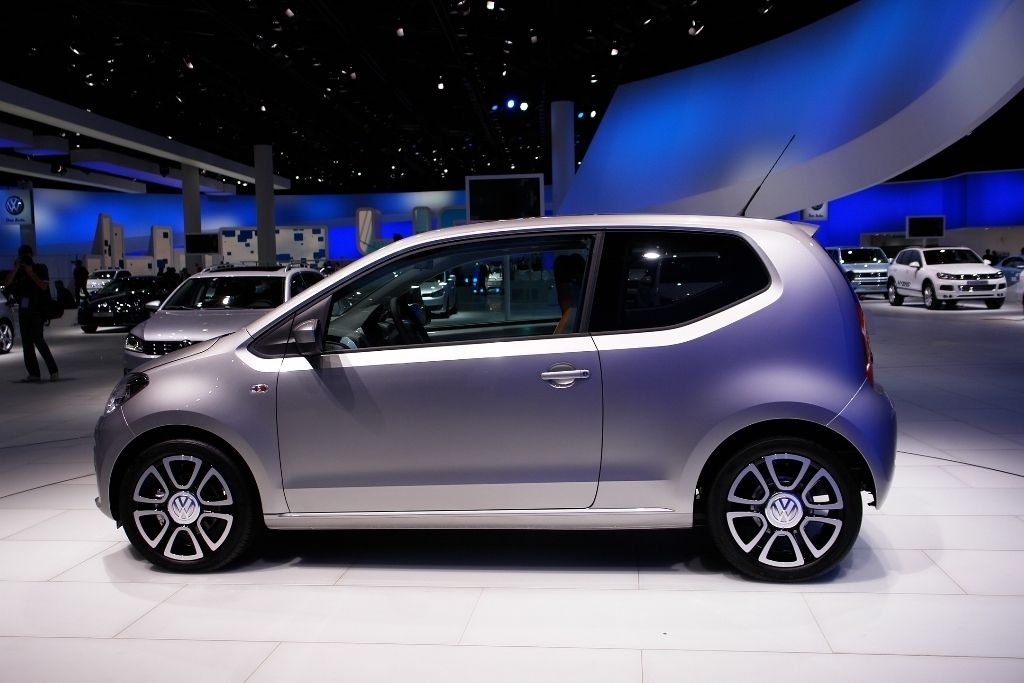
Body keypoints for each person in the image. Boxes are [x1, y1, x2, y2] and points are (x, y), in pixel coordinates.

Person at [4, 245, 59, 382]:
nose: (25, 259)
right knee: (27, 345)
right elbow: (7, 283)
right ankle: (34, 374)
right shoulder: (19, 271)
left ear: (31, 255)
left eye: (26, 256)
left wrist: (31, 273)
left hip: (37, 310)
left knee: (39, 341)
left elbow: (43, 286)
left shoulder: (40, 268)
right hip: (24, 311)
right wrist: (17, 267)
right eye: (22, 256)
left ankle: (53, 371)